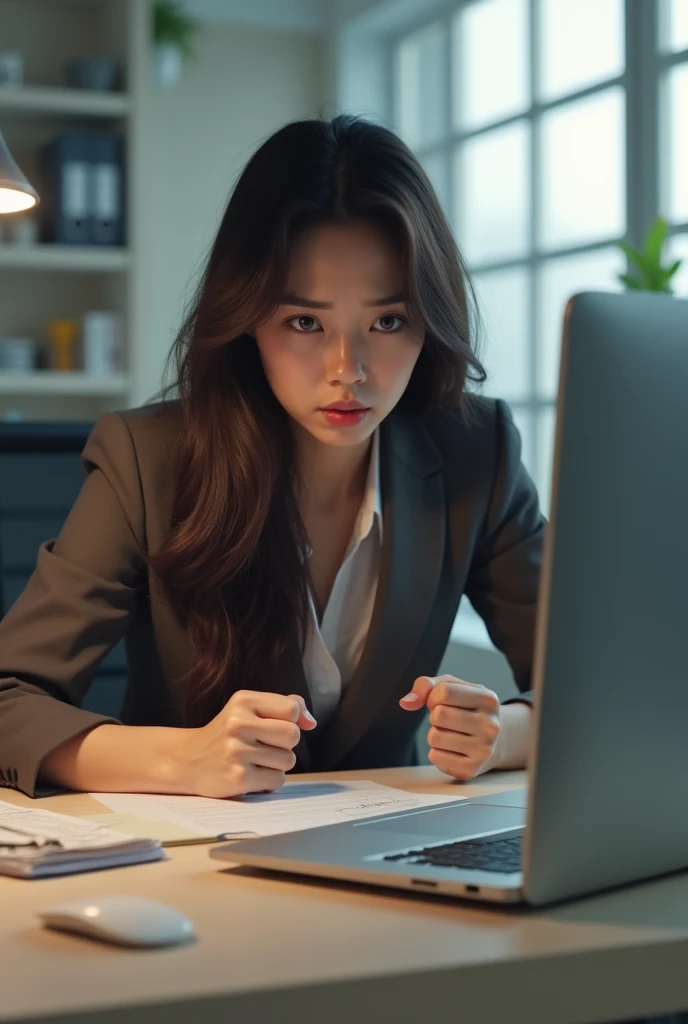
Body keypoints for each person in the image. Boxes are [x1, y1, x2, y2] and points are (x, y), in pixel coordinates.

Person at [0, 112, 544, 800]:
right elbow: (8, 698)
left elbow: (602, 687)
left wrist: (504, 733)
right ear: (248, 318)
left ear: (428, 321)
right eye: (305, 322)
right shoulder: (145, 460)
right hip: (189, 870)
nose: (349, 369)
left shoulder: (476, 451)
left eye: (387, 321)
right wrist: (180, 760)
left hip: (392, 858)